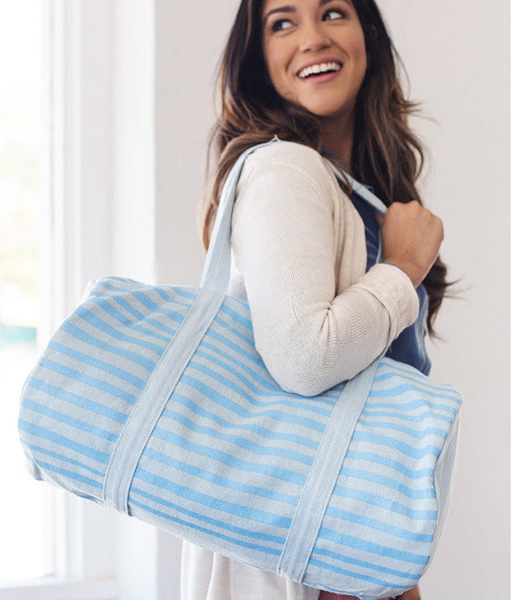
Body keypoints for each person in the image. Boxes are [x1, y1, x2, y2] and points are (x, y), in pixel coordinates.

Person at [181, 0, 450, 599]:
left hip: (355, 547)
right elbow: (306, 357)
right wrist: (405, 265)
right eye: (282, 23)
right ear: (258, 61)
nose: (311, 38)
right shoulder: (285, 169)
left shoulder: (362, 192)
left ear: (368, 36)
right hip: (306, 553)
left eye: (333, 12)